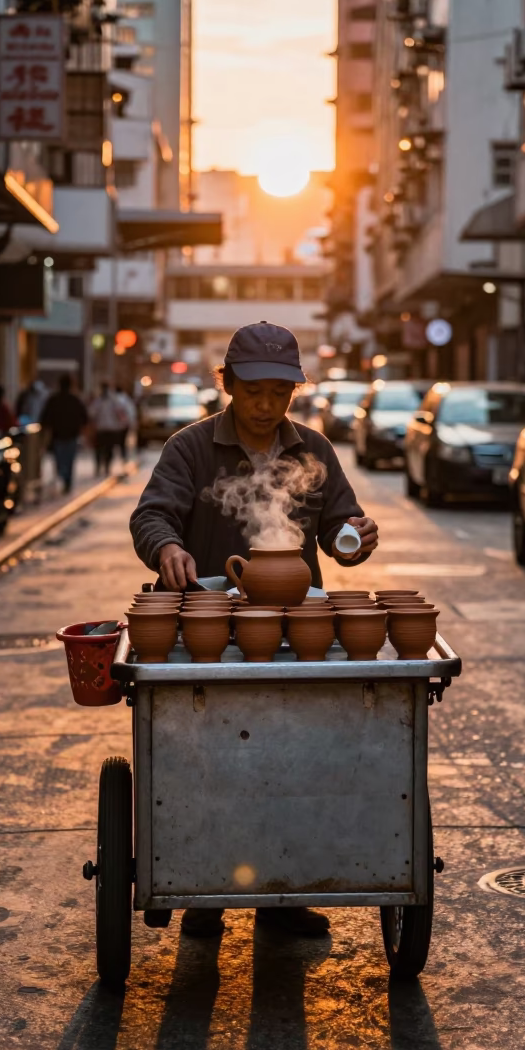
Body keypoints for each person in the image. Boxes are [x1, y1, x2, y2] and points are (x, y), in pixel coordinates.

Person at [130, 320, 379, 941]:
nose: (267, 406)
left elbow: (341, 527)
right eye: (253, 391)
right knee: (211, 761)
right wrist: (166, 550)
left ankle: (283, 894)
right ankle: (205, 890)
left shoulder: (314, 451)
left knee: (294, 761)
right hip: (208, 632)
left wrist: (354, 540)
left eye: (279, 392)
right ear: (228, 385)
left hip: (296, 633)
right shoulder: (189, 448)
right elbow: (152, 514)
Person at [41, 374, 88, 493]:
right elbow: (85, 418)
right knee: (69, 460)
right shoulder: (75, 400)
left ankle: (63, 478)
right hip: (71, 435)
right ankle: (66, 481)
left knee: (60, 460)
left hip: (58, 435)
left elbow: (45, 418)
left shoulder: (54, 399)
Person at [89, 382, 129, 475]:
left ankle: (107, 466)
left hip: (111, 429)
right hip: (101, 429)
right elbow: (92, 413)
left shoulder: (114, 401)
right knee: (99, 450)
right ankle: (98, 466)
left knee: (109, 449)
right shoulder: (98, 401)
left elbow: (121, 413)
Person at [114, 386, 137, 461]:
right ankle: (123, 455)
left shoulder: (115, 399)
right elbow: (131, 411)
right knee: (122, 441)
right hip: (124, 424)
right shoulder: (126, 399)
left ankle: (122, 455)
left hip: (116, 425)